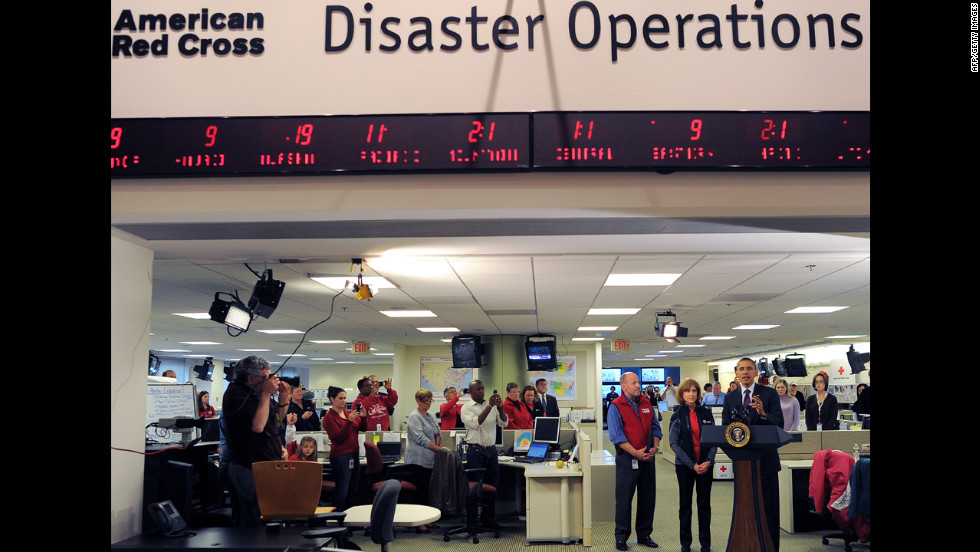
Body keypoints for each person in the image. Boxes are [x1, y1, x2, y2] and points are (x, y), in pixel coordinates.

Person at [221, 355, 292, 526]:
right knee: (259, 518)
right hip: (249, 467)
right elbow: (258, 427)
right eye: (265, 377)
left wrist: (283, 400)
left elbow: (274, 422)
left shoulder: (257, 393)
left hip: (266, 465)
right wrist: (267, 394)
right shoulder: (236, 395)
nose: (270, 380)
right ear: (251, 379)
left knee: (272, 515)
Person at [722, 358, 783, 551]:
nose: (746, 372)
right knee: (744, 509)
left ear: (756, 373)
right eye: (742, 369)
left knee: (769, 511)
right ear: (737, 373)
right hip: (742, 464)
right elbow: (726, 429)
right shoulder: (730, 397)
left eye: (749, 369)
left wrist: (764, 413)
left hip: (766, 463)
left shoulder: (769, 393)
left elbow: (779, 424)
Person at [608, 371, 663, 551]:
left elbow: (656, 428)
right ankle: (621, 537)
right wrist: (636, 453)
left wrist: (654, 447)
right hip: (627, 460)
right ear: (623, 386)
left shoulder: (646, 403)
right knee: (624, 499)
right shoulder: (616, 406)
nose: (637, 386)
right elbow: (617, 436)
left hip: (648, 458)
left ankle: (644, 534)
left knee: (648, 498)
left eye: (638, 382)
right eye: (633, 383)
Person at [669, 378, 716, 552]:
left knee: (704, 504)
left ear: (698, 394)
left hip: (705, 465)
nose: (691, 394)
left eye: (694, 391)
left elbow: (713, 439)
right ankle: (685, 543)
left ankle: (705, 543)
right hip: (685, 467)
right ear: (682, 394)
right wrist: (691, 464)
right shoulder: (677, 415)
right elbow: (673, 443)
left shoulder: (706, 413)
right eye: (687, 391)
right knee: (685, 505)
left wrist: (709, 461)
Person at [460, 379, 508, 529]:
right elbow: (476, 423)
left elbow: (504, 423)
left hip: (491, 451)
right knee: (475, 488)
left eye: (482, 388)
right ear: (471, 392)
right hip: (476, 452)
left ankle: (489, 520)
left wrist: (500, 408)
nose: (481, 391)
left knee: (492, 487)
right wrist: (490, 406)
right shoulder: (466, 408)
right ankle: (472, 522)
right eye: (478, 389)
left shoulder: (492, 407)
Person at [405, 388, 446, 529]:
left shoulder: (430, 416)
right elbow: (420, 438)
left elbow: (438, 432)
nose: (428, 403)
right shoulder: (414, 416)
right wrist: (438, 449)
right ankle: (419, 522)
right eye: (425, 401)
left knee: (429, 491)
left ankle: (427, 519)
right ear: (418, 401)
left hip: (431, 459)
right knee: (420, 491)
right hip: (419, 460)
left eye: (430, 400)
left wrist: (439, 446)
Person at [322, 386, 363, 511]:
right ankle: (339, 518)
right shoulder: (329, 417)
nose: (343, 401)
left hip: (354, 454)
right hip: (341, 457)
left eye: (345, 398)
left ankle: (350, 518)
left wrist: (364, 417)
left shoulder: (348, 413)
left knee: (353, 489)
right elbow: (337, 437)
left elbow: (361, 428)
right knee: (342, 491)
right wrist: (349, 422)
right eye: (340, 398)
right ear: (332, 399)